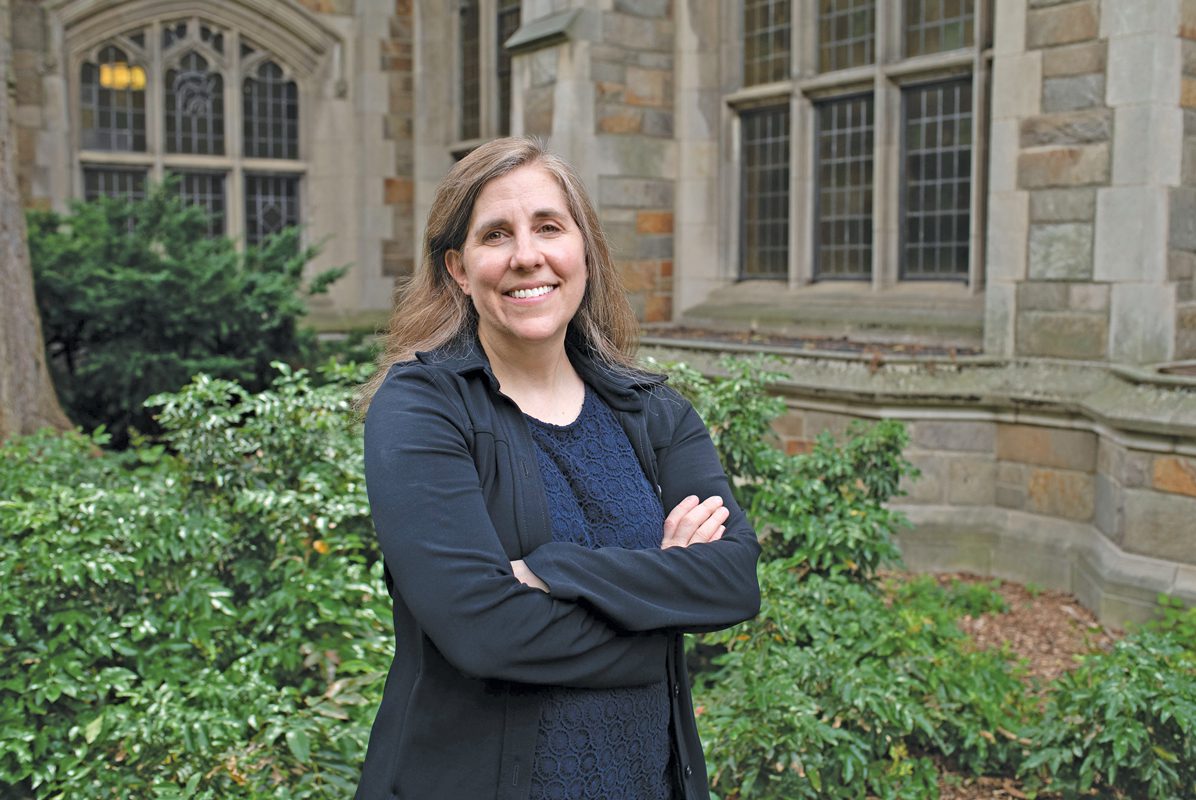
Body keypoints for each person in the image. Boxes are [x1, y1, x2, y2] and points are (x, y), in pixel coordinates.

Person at [355, 137, 761, 800]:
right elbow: (485, 634)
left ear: (584, 251)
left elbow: (733, 581)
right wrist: (664, 613)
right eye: (496, 234)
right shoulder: (421, 410)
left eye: (549, 226)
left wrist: (553, 568)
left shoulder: (655, 413)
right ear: (459, 268)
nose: (527, 256)